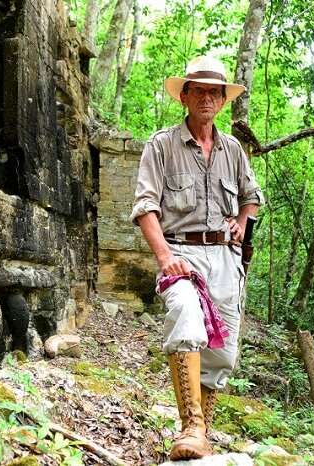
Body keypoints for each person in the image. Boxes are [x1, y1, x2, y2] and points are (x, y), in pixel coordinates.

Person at [129, 56, 264, 460]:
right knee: (186, 314)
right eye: (199, 90)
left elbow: (252, 198)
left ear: (223, 101)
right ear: (184, 96)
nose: (207, 98)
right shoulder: (162, 145)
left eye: (214, 92)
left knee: (223, 352)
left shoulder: (234, 151)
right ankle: (191, 425)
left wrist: (243, 220)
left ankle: (200, 435)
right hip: (182, 253)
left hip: (226, 257)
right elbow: (144, 207)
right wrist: (165, 256)